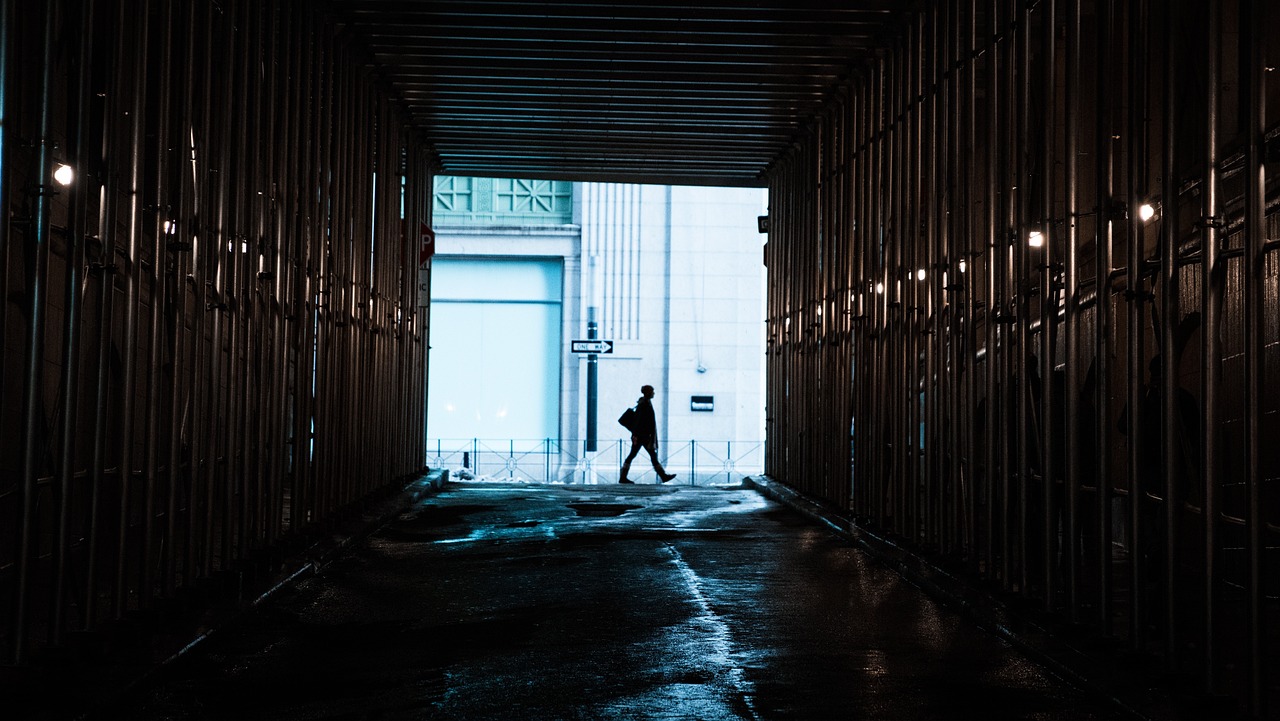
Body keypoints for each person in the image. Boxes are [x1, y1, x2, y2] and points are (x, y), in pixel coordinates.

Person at [620, 385, 677, 484]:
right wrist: (635, 436)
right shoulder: (644, 404)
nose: (654, 393)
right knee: (650, 455)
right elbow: (639, 422)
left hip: (642, 436)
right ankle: (663, 476)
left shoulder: (645, 403)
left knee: (634, 455)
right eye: (652, 391)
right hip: (642, 436)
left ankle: (623, 477)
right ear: (648, 392)